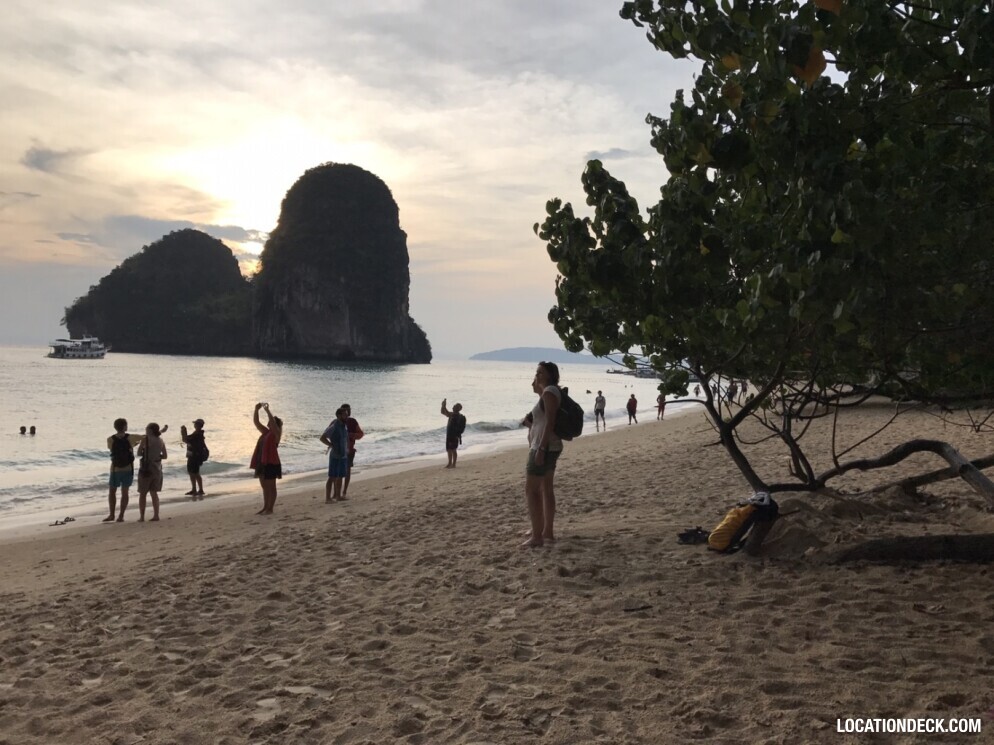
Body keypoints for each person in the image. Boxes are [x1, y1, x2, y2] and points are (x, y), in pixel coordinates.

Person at [522, 361, 563, 548]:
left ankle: (537, 537)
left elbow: (550, 422)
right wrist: (537, 384)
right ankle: (546, 532)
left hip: (544, 446)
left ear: (549, 374)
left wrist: (541, 448)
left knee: (532, 490)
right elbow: (543, 420)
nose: (536, 375)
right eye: (536, 372)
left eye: (540, 372)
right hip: (548, 445)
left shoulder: (549, 392)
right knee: (546, 489)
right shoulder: (547, 392)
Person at [105, 419, 167, 522]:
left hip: (115, 469)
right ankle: (121, 516)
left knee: (112, 492)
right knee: (125, 492)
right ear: (125, 427)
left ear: (115, 427)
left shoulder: (110, 439)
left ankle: (112, 515)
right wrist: (162, 430)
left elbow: (112, 450)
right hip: (129, 468)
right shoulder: (131, 437)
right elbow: (149, 437)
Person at [250, 403, 283, 515]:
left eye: (272, 421)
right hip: (262, 462)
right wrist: (256, 410)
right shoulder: (266, 432)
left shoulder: (276, 434)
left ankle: (270, 508)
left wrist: (268, 411)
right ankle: (265, 507)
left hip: (271, 463)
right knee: (264, 487)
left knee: (271, 486)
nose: (269, 422)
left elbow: (273, 425)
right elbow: (256, 423)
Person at [136, 422, 167, 522]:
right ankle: (156, 515)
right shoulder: (160, 440)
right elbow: (165, 456)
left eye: (146, 428)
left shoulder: (145, 440)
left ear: (150, 430)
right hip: (157, 469)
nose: (145, 429)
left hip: (146, 469)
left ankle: (142, 517)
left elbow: (138, 453)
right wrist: (157, 457)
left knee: (143, 493)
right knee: (154, 493)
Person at [321, 407, 349, 502]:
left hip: (343, 455)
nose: (346, 416)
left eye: (347, 414)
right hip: (335, 456)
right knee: (332, 476)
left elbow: (345, 438)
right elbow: (322, 438)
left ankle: (338, 496)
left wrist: (347, 449)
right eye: (344, 414)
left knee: (340, 476)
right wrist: (331, 445)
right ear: (339, 415)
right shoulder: (334, 426)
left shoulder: (344, 426)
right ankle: (328, 498)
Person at [340, 403, 364, 498]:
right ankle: (336, 493)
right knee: (338, 473)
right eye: (346, 410)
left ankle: (344, 492)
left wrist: (351, 435)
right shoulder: (336, 422)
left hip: (350, 450)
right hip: (339, 450)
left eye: (349, 410)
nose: (348, 412)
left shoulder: (353, 421)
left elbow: (361, 434)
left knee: (347, 471)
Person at [181, 419, 208, 500]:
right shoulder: (199, 434)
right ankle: (197, 489)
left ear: (198, 425)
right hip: (195, 456)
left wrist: (183, 432)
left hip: (194, 456)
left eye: (195, 424)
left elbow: (185, 439)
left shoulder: (197, 434)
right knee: (194, 473)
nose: (194, 425)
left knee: (194, 473)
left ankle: (197, 489)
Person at [440, 398, 466, 468]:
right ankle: (450, 463)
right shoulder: (453, 415)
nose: (453, 407)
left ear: (457, 408)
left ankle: (453, 464)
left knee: (453, 449)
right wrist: (443, 405)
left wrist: (444, 406)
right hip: (451, 435)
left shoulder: (456, 416)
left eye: (454, 406)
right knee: (449, 449)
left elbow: (444, 412)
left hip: (454, 435)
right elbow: (443, 412)